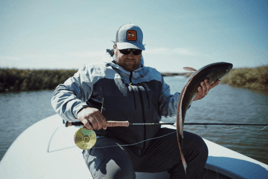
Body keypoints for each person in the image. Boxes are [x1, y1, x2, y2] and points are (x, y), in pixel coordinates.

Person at [51, 23, 220, 179]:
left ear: (142, 51)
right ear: (114, 47)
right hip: (108, 143)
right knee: (118, 175)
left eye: (136, 51)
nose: (131, 56)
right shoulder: (93, 72)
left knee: (196, 147)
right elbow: (60, 94)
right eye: (125, 51)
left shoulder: (154, 75)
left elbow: (167, 108)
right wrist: (81, 110)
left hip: (150, 145)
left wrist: (191, 96)